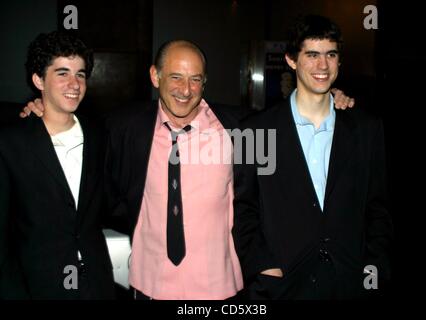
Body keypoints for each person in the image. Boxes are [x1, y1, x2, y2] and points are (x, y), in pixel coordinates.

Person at [20, 39, 354, 300]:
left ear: (205, 82)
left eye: (195, 79)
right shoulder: (124, 127)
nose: (185, 89)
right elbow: (84, 153)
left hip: (221, 292)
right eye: (176, 77)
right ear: (155, 76)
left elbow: (283, 175)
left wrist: (329, 100)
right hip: (147, 288)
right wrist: (42, 110)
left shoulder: (240, 129)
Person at [233, 15, 393, 299]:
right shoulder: (256, 130)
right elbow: (243, 209)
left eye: (331, 54)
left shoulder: (366, 129)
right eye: (312, 55)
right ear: (291, 60)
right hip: (282, 287)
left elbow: (377, 208)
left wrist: (374, 268)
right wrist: (262, 266)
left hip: (349, 284)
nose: (323, 65)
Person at [0, 31, 115, 299]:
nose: (74, 83)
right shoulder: (10, 143)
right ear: (39, 80)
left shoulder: (100, 135)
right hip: (38, 287)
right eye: (62, 73)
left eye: (81, 74)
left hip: (97, 284)